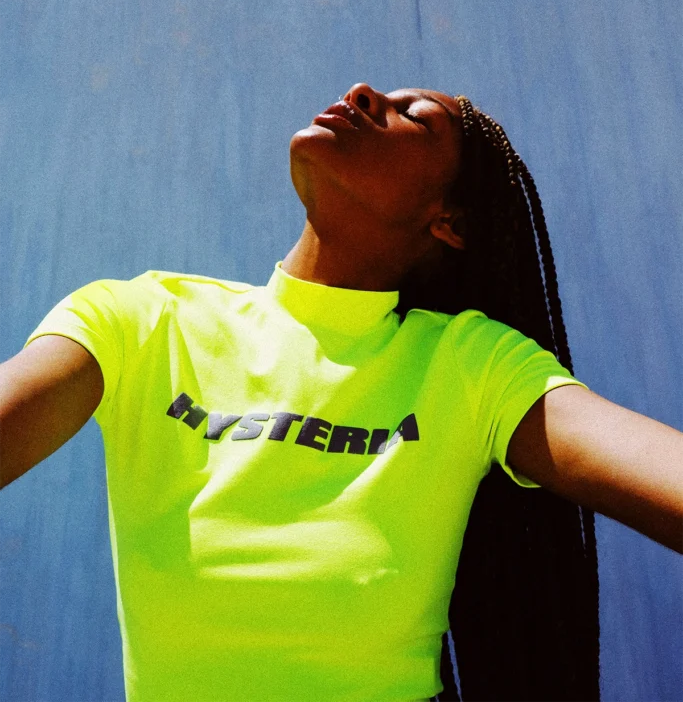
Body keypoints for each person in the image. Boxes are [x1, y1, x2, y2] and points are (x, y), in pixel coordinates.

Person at [1, 82, 682, 702]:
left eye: (414, 117)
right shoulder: (141, 320)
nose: (362, 93)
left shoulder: (473, 365)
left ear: (450, 222)